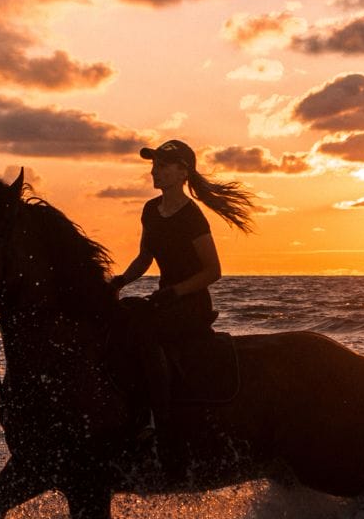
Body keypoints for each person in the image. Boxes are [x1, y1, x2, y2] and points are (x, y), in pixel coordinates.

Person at [110, 139, 256, 480]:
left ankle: (159, 421)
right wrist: (119, 282)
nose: (154, 171)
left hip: (190, 303)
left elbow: (213, 271)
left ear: (182, 172)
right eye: (154, 165)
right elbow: (144, 257)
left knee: (145, 333)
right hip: (165, 299)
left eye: (162, 165)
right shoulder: (151, 209)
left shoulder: (192, 216)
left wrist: (175, 291)